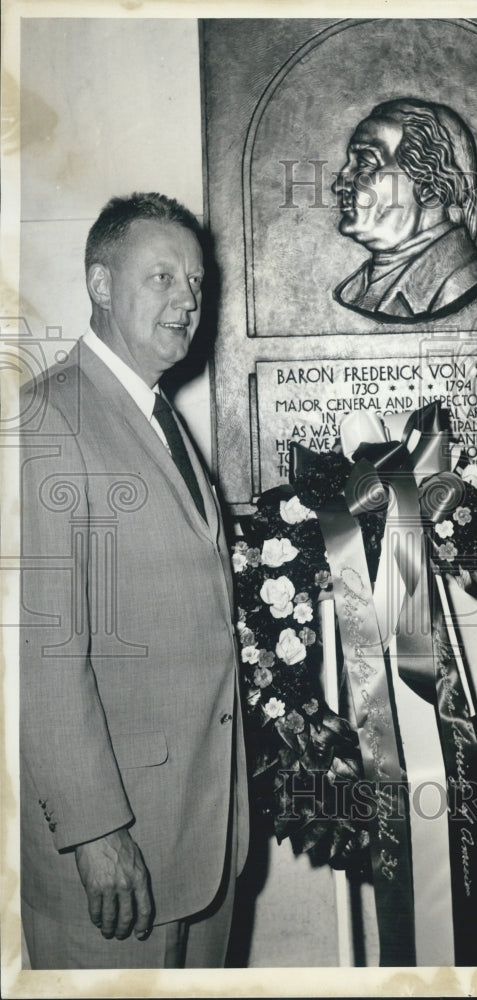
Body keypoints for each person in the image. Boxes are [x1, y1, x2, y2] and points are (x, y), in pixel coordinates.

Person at [19, 192, 249, 969]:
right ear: (101, 284)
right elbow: (42, 651)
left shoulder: (156, 414)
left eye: (194, 282)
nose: (187, 300)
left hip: (198, 834)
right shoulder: (49, 417)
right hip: (121, 854)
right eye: (161, 278)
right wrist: (93, 831)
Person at [331, 97, 477, 322]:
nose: (339, 183)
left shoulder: (456, 282)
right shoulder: (354, 291)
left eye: (365, 163)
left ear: (429, 186)